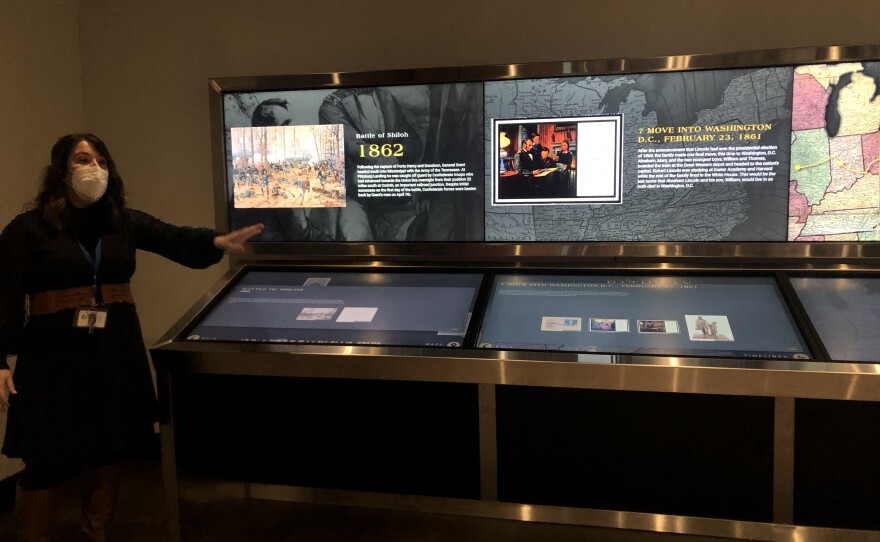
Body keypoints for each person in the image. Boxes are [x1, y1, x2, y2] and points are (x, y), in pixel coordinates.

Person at [0, 134, 263, 542]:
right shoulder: (28, 228)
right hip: (53, 361)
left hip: (113, 353)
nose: (94, 168)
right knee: (46, 460)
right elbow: (3, 293)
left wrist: (215, 242)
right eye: (83, 159)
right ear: (61, 170)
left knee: (109, 451)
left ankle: (96, 535)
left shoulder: (121, 222)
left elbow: (171, 236)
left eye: (101, 160)